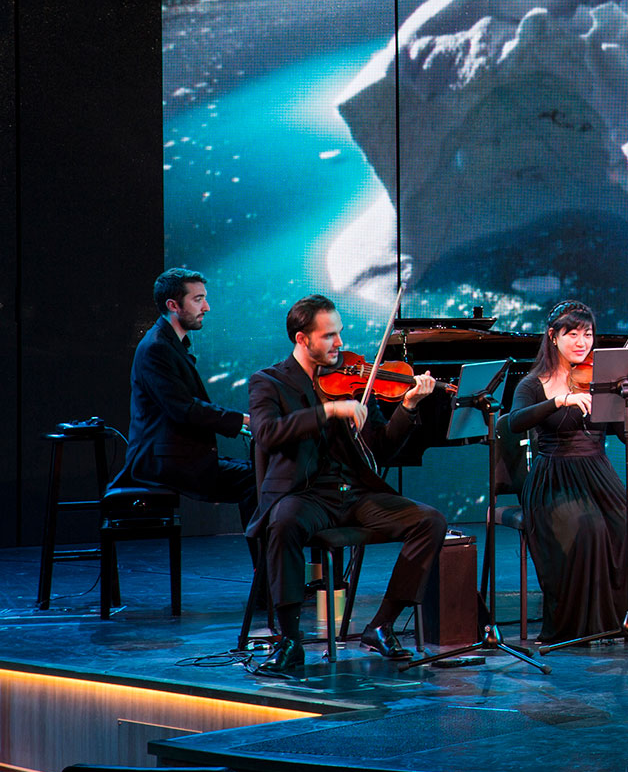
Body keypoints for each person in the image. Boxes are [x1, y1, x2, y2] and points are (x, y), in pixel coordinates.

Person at [247, 294, 446, 676]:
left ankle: (381, 625)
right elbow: (267, 433)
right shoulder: (269, 382)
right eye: (329, 336)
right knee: (283, 523)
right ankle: (289, 641)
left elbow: (382, 447)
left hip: (353, 493)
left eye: (340, 334)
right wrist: (327, 411)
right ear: (302, 339)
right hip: (304, 494)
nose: (339, 343)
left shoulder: (350, 382)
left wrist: (408, 408)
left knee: (430, 521)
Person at [507, 301, 628, 643]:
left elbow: (627, 437)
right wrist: (559, 401)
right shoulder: (532, 384)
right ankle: (581, 627)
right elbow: (513, 422)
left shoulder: (602, 380)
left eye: (588, 334)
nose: (582, 342)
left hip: (597, 472)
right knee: (588, 528)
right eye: (572, 334)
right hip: (554, 476)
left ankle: (626, 622)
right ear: (553, 337)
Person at [118, 268, 255, 526]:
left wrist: (243, 423)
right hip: (163, 463)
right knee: (258, 481)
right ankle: (266, 566)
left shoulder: (169, 345)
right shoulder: (157, 348)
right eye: (198, 299)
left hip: (177, 456)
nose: (207, 307)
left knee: (258, 477)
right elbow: (185, 409)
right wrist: (245, 422)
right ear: (173, 305)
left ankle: (267, 565)